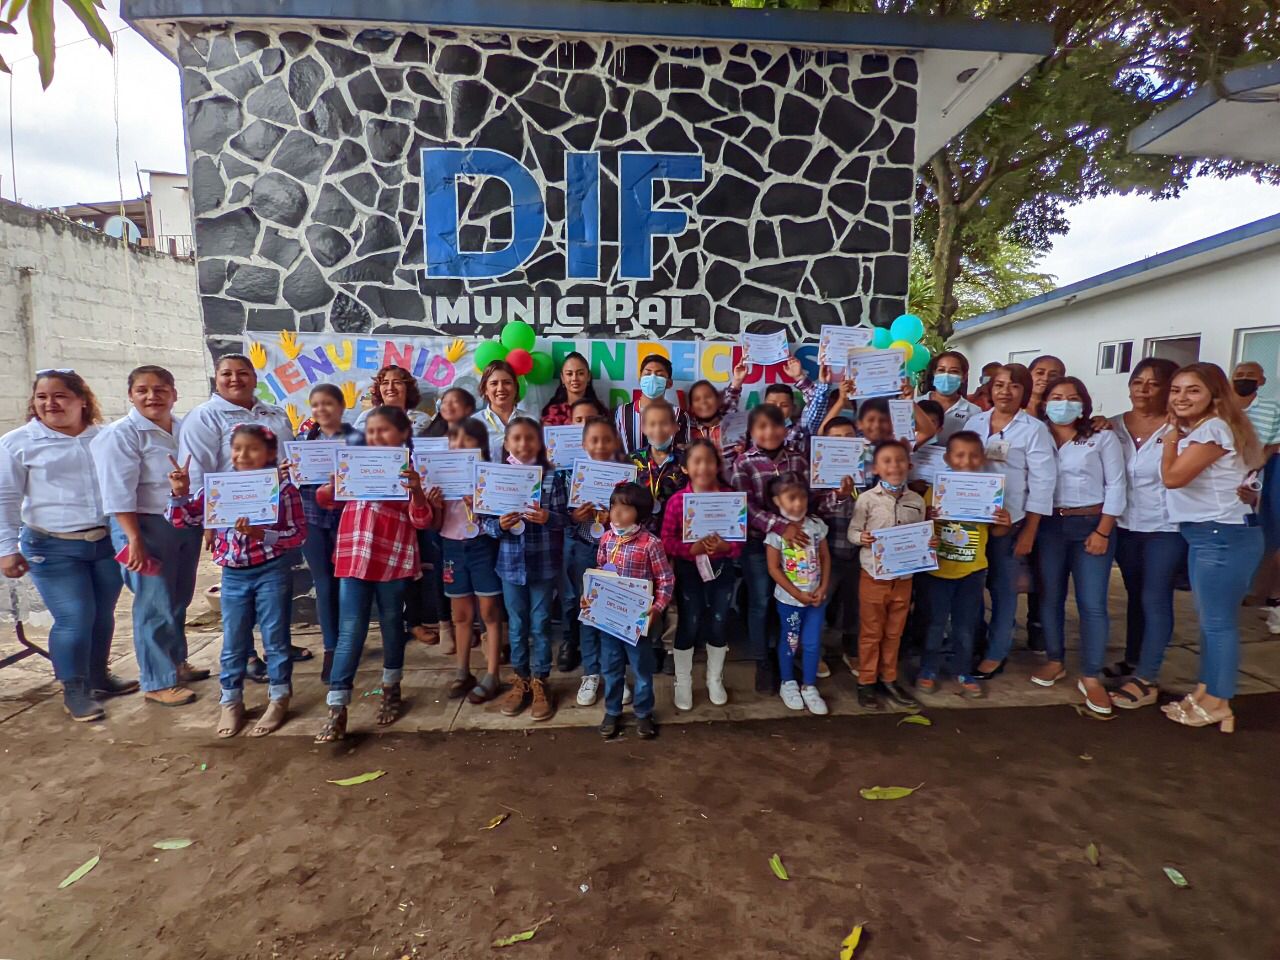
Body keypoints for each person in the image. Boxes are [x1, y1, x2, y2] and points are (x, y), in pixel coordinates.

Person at [0, 371, 124, 722]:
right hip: (51, 547)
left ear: (82, 400)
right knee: (74, 617)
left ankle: (99, 677)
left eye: (60, 396)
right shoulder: (17, 443)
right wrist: (6, 548)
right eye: (42, 397)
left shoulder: (105, 438)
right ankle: (75, 689)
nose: (49, 404)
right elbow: (5, 499)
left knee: (102, 614)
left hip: (104, 543)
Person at [166, 424, 305, 738]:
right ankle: (231, 700)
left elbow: (298, 534)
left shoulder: (283, 490)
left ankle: (279, 697)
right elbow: (182, 519)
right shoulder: (218, 488)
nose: (243, 455)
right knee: (233, 641)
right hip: (233, 575)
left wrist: (262, 534)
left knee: (275, 638)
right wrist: (179, 492)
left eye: (253, 449)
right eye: (237, 448)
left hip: (271, 570)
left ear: (270, 454)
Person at [313, 406, 435, 742]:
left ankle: (391, 688)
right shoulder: (354, 462)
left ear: (403, 435)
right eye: (371, 431)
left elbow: (423, 521)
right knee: (350, 628)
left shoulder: (414, 468)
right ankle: (337, 707)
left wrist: (417, 490)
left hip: (393, 558)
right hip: (354, 556)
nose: (375, 437)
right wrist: (334, 483)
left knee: (393, 623)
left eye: (383, 430)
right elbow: (325, 499)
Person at [177, 353, 302, 672]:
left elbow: (287, 456)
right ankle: (246, 655)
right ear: (216, 379)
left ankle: (280, 646)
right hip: (232, 518)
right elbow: (195, 469)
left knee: (278, 585)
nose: (235, 379)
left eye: (243, 373)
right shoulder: (204, 417)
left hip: (275, 511)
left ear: (255, 378)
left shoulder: (273, 413)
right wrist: (208, 520)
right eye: (227, 374)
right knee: (241, 595)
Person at [92, 365, 207, 707]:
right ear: (130, 395)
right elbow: (117, 493)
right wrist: (133, 540)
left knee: (179, 597)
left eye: (160, 389)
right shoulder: (122, 434)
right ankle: (157, 681)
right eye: (142, 390)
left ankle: (176, 662)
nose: (152, 396)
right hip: (142, 525)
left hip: (183, 521)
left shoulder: (184, 428)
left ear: (174, 394)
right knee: (154, 602)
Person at [1161, 363, 1265, 732]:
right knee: (1209, 623)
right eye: (1176, 390)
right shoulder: (1208, 428)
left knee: (1219, 624)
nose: (1181, 397)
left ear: (1214, 395)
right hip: (1207, 535)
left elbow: (1173, 478)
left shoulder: (1214, 429)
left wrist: (1170, 438)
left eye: (1192, 390)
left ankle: (1220, 702)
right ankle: (1206, 691)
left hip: (1222, 536)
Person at [1031, 377, 1126, 715]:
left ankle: (1092, 674)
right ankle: (1055, 659)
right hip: (1049, 526)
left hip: (1091, 525)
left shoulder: (1101, 436)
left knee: (1092, 603)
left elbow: (1116, 485)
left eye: (1072, 398)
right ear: (1044, 403)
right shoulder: (1035, 433)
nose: (1064, 403)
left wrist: (1103, 530)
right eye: (1056, 397)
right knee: (1050, 595)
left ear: (1084, 404)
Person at [964, 364, 1057, 678]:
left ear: (1025, 392)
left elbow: (1043, 483)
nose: (1005, 391)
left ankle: (996, 651)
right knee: (971, 585)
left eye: (1014, 386)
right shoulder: (975, 422)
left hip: (1011, 522)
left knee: (1004, 590)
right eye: (999, 384)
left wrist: (1030, 529)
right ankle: (974, 641)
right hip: (972, 522)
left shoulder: (1033, 430)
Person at [1107, 358, 1184, 709]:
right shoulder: (1111, 426)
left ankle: (1147, 677)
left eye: (1154, 383)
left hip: (1165, 527)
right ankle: (1134, 659)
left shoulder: (1182, 430)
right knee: (1135, 594)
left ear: (1168, 388)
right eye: (1138, 382)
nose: (1144, 389)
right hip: (1125, 526)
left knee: (1155, 597)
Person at [486, 417, 568, 722]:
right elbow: (485, 523)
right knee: (517, 626)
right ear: (506, 443)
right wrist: (499, 525)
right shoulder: (496, 477)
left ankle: (540, 681)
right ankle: (520, 680)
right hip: (510, 566)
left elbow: (566, 519)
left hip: (544, 564)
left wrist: (549, 518)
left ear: (540, 444)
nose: (523, 444)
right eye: (517, 439)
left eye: (530, 439)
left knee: (541, 624)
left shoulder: (552, 478)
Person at [918, 431, 1011, 699]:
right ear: (948, 458)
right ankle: (928, 668)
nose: (967, 461)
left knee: (965, 624)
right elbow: (921, 528)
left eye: (973, 455)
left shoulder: (989, 493)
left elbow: (995, 535)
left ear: (982, 458)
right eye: (959, 455)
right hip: (937, 570)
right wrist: (927, 517)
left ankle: (962, 670)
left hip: (972, 570)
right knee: (934, 623)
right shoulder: (935, 491)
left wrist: (1003, 525)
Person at [730, 404, 810, 692]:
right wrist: (779, 525)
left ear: (785, 428)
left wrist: (793, 528)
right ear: (751, 432)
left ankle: (785, 655)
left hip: (795, 544)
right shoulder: (744, 463)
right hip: (757, 543)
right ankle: (762, 660)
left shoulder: (798, 460)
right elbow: (744, 506)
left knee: (788, 600)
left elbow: (806, 497)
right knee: (761, 601)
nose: (769, 432)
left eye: (775, 425)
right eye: (761, 427)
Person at [659, 439, 741, 709]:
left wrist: (726, 546)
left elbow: (740, 541)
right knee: (689, 623)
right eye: (697, 461)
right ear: (685, 468)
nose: (704, 467)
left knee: (718, 621)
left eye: (709, 460)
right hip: (689, 570)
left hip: (722, 571)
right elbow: (666, 540)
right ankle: (683, 682)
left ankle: (714, 679)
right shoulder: (676, 502)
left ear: (718, 465)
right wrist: (690, 548)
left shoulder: (730, 497)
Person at [850, 440, 930, 709]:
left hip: (904, 580)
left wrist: (929, 544)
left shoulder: (917, 501)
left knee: (894, 632)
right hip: (874, 577)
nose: (894, 466)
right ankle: (867, 682)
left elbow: (921, 535)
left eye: (899, 460)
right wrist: (863, 537)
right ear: (876, 468)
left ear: (909, 465)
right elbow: (852, 533)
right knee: (872, 632)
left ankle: (889, 678)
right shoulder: (867, 500)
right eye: (887, 461)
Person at [592, 482, 674, 740]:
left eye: (625, 508)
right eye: (614, 505)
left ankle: (643, 712)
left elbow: (666, 579)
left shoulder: (650, 543)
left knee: (641, 668)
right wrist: (591, 599)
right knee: (611, 666)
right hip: (608, 619)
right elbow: (599, 572)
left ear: (639, 512)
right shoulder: (606, 537)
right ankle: (613, 709)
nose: (616, 513)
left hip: (638, 621)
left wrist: (657, 608)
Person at [292, 384, 362, 682]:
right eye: (316, 405)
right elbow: (295, 482)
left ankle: (350, 645)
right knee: (323, 584)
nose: (322, 410)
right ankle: (331, 648)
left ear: (342, 406)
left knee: (350, 584)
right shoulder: (303, 440)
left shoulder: (359, 439)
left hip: (349, 519)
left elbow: (371, 476)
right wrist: (289, 471)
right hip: (313, 519)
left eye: (328, 404)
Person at [433, 417, 504, 705]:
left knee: (489, 611)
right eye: (454, 439)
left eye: (468, 440)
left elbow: (501, 516)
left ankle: (492, 673)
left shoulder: (491, 475)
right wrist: (433, 502)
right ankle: (462, 671)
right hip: (452, 546)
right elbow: (434, 524)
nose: (459, 446)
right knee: (460, 614)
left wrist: (481, 504)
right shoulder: (438, 475)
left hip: (482, 545)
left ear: (482, 447)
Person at [564, 416, 625, 705]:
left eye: (606, 440)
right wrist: (575, 517)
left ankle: (615, 674)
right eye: (594, 440)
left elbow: (637, 514)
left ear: (615, 442)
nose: (600, 445)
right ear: (584, 443)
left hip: (618, 552)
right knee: (588, 612)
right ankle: (591, 673)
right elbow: (560, 520)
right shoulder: (571, 476)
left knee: (613, 612)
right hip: (585, 549)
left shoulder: (626, 477)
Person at [765, 472, 831, 715]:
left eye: (802, 497)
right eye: (791, 498)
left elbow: (825, 557)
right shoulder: (776, 533)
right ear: (776, 500)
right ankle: (788, 682)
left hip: (816, 599)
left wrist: (823, 587)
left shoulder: (816, 526)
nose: (798, 503)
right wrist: (796, 593)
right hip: (790, 601)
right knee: (790, 641)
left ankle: (810, 685)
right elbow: (773, 568)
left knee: (813, 643)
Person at [420, 386, 476, 653]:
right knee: (442, 569)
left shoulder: (477, 437)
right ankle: (446, 625)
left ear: (469, 408)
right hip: (437, 514)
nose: (449, 405)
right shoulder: (428, 438)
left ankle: (475, 627)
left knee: (475, 573)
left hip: (469, 518)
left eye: (457, 401)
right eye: (445, 401)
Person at [1230, 361, 1280, 629]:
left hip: (1258, 474)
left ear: (1261, 382)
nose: (1244, 379)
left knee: (1257, 532)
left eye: (1251, 376)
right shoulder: (1219, 408)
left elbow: (1275, 443)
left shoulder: (1273, 409)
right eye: (1239, 375)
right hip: (1221, 475)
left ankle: (1261, 593)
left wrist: (1257, 464)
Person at [812, 418, 860, 671]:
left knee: (856, 605)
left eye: (850, 436)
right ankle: (814, 651)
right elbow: (814, 508)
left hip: (860, 552)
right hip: (827, 551)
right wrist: (838, 496)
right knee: (820, 602)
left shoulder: (868, 469)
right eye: (837, 438)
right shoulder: (818, 472)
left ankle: (851, 650)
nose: (844, 443)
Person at [722, 356, 830, 453]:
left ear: (792, 408)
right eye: (772, 404)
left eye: (784, 405)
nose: (777, 409)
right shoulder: (748, 430)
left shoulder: (801, 429)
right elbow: (726, 416)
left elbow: (817, 404)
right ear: (764, 406)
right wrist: (736, 382)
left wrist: (799, 377)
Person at [614, 354, 691, 454]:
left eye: (659, 375)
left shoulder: (679, 415)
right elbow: (616, 450)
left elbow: (682, 453)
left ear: (669, 383)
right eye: (647, 374)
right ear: (640, 380)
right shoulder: (622, 412)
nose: (652, 378)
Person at [477, 360, 533, 463]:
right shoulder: (474, 424)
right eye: (494, 383)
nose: (500, 388)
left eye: (507, 383)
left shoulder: (531, 422)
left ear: (515, 387)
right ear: (485, 389)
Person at [354, 365, 431, 434]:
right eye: (385, 383)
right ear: (378, 389)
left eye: (397, 382)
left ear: (408, 388)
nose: (390, 388)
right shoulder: (366, 417)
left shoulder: (421, 419)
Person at [923, 351, 979, 443]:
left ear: (964, 377)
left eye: (954, 371)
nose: (946, 375)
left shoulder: (974, 412)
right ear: (934, 374)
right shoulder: (915, 404)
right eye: (941, 370)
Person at [541, 351, 605, 425]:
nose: (574, 378)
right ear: (562, 378)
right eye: (569, 374)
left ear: (588, 376)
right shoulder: (553, 413)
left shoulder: (599, 411)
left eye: (580, 373)